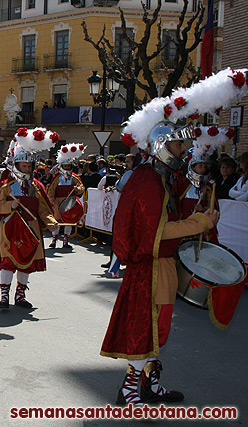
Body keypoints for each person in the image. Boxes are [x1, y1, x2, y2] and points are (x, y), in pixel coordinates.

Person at [100, 67, 248, 406]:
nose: (186, 151)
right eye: (181, 144)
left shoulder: (162, 178)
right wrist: (197, 223)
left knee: (159, 330)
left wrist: (199, 202)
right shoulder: (148, 181)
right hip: (150, 268)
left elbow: (175, 213)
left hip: (161, 266)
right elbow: (157, 230)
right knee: (147, 330)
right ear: (166, 145)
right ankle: (128, 390)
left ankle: (149, 385)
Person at [0, 127, 59, 308]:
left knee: (26, 262)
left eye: (29, 166)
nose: (27, 168)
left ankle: (20, 295)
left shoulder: (36, 186)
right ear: (17, 165)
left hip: (31, 228)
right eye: (24, 166)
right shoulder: (6, 185)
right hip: (10, 227)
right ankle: (4, 296)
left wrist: (51, 222)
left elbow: (44, 209)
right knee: (7, 261)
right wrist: (9, 205)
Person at [47, 143, 86, 249]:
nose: (67, 168)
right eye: (65, 166)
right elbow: (51, 190)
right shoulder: (57, 177)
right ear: (62, 166)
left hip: (70, 203)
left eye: (69, 166)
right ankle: (54, 240)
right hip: (57, 203)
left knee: (69, 222)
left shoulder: (75, 177)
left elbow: (81, 187)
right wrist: (51, 200)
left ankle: (66, 241)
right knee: (57, 221)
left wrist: (77, 189)